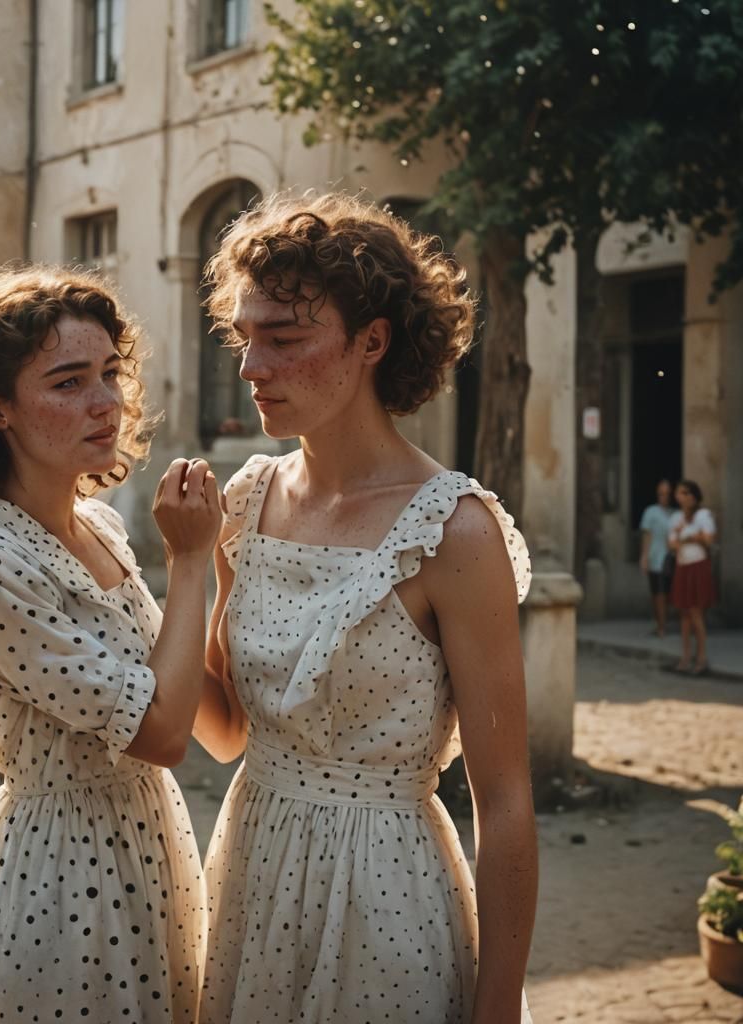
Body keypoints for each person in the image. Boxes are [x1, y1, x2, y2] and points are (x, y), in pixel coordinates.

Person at [193, 194, 537, 1024]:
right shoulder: (247, 501)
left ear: (372, 341)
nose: (251, 367)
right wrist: (169, 573)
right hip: (251, 880)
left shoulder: (454, 531)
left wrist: (496, 1009)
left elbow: (505, 802)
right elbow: (225, 732)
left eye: (284, 338)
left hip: (385, 901)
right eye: (245, 337)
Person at [0, 266, 221, 1023]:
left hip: (150, 847)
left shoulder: (98, 524)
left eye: (110, 373)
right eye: (68, 382)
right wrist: (193, 559)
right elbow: (163, 733)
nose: (106, 402)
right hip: (64, 878)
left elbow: (177, 686)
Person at [668, 480, 717, 675]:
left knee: (696, 613)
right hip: (683, 566)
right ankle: (686, 656)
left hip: (698, 565)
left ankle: (701, 658)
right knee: (684, 614)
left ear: (692, 496)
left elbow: (708, 539)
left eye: (684, 493)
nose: (680, 497)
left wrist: (687, 538)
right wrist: (690, 538)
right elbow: (672, 544)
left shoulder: (703, 515)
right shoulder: (676, 517)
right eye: (679, 493)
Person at [638, 479, 676, 636]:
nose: (664, 497)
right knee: (657, 593)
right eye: (661, 494)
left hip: (672, 559)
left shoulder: (675, 513)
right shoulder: (651, 512)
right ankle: (661, 625)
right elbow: (647, 535)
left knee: (667, 593)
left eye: (667, 494)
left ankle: (664, 623)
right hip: (656, 558)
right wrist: (644, 557)